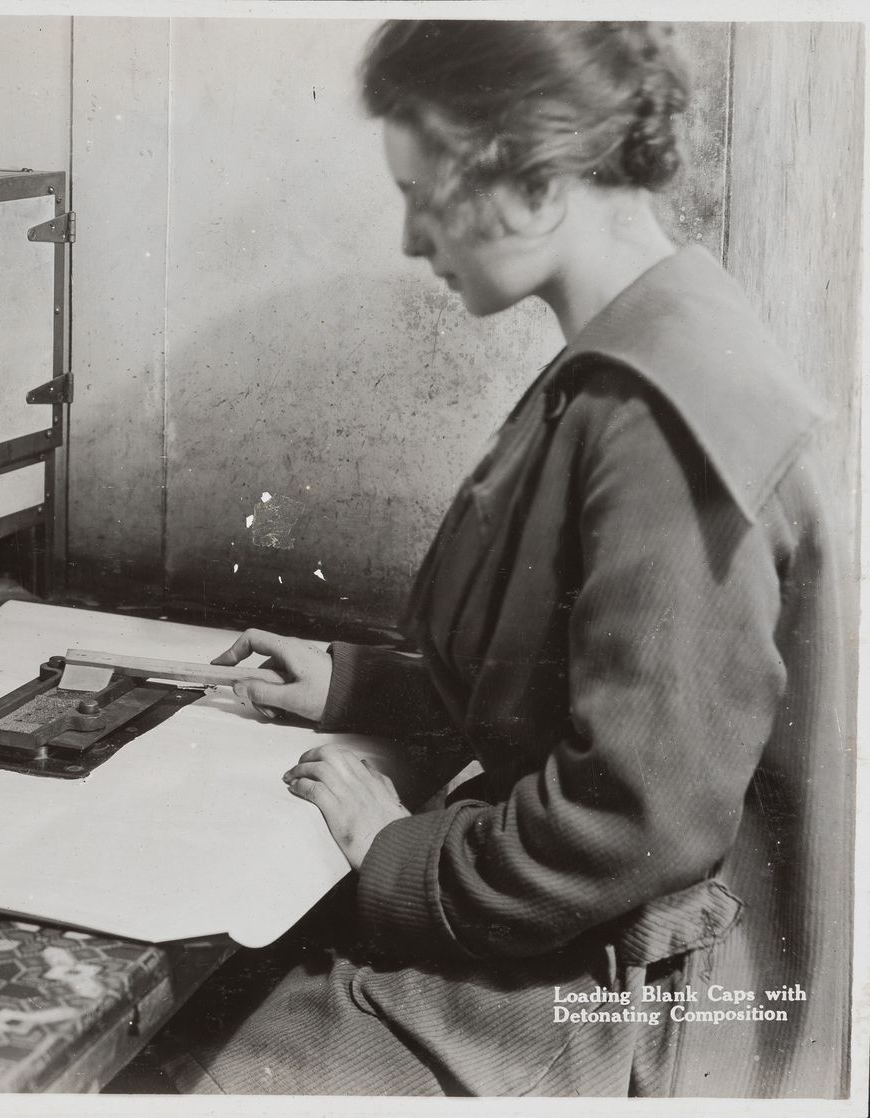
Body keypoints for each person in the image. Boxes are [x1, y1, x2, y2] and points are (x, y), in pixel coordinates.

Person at [174, 20, 852, 1098]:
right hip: (590, 944)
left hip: (620, 1003)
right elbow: (589, 679)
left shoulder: (658, 421)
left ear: (533, 180)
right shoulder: (642, 352)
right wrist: (360, 683)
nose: (407, 238)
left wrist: (391, 854)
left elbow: (624, 821)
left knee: (182, 1068)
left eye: (423, 193)